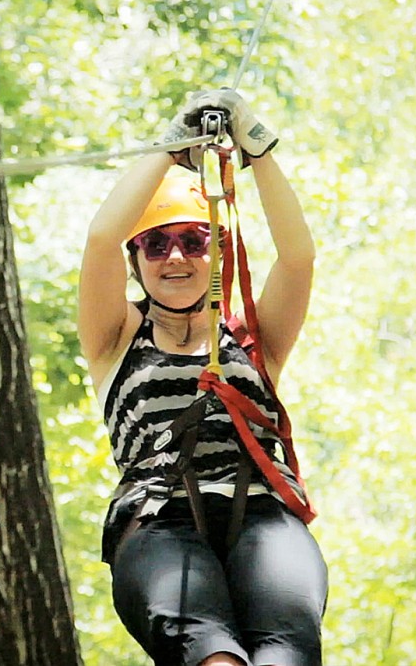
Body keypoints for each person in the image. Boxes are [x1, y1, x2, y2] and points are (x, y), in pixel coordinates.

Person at [77, 88, 328, 666]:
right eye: (156, 243)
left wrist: (257, 149)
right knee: (210, 653)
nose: (175, 257)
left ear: (217, 252)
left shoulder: (252, 336)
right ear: (136, 258)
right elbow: (98, 240)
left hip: (263, 515)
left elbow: (298, 259)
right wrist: (171, 148)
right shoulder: (115, 337)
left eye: (194, 240)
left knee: (287, 648)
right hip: (158, 518)